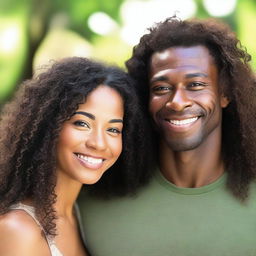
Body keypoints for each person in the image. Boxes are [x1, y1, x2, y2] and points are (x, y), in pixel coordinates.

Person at [78, 17, 256, 255]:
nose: (177, 102)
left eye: (195, 85)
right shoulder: (93, 195)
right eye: (161, 88)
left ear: (225, 94)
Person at [0, 57, 153, 256]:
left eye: (113, 129)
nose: (98, 143)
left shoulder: (83, 214)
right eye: (82, 123)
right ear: (49, 126)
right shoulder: (18, 230)